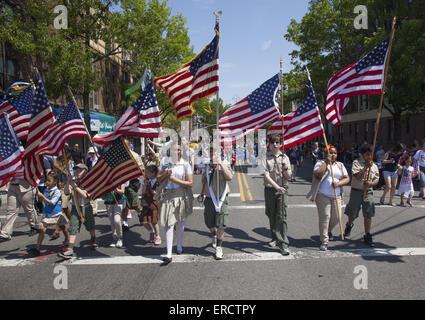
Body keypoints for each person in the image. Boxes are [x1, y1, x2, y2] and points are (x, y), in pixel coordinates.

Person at [307, 145, 350, 251]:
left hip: (336, 195)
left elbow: (347, 178)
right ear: (326, 154)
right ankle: (324, 241)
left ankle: (328, 231)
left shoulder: (340, 165)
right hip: (322, 195)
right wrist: (326, 162)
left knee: (337, 217)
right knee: (325, 217)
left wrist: (339, 183)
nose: (332, 155)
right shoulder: (320, 163)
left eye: (334, 153)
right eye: (330, 152)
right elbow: (317, 174)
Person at [158, 143, 193, 265]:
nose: (176, 152)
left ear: (181, 151)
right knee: (169, 223)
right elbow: (158, 179)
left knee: (180, 222)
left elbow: (190, 183)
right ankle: (168, 252)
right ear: (170, 151)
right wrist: (165, 174)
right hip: (168, 195)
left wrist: (175, 180)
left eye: (178, 150)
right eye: (174, 149)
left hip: (180, 194)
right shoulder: (164, 162)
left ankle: (179, 244)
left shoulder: (185, 164)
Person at [198, 147, 234, 260]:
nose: (213, 154)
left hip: (222, 198)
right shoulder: (207, 165)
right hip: (209, 198)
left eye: (215, 152)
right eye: (211, 151)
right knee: (209, 222)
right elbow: (205, 181)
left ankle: (219, 247)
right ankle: (214, 234)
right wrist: (201, 193)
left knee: (221, 224)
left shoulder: (225, 163)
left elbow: (229, 177)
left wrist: (221, 164)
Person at [58, 163, 97, 259]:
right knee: (73, 226)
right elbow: (67, 192)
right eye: (76, 170)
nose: (77, 172)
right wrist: (68, 182)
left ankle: (93, 240)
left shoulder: (89, 182)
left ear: (85, 171)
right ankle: (70, 249)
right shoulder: (73, 181)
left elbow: (86, 196)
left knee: (90, 225)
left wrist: (75, 187)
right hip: (76, 207)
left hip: (86, 207)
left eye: (80, 170)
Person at [343, 144, 379, 247]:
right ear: (362, 155)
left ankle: (367, 234)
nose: (369, 157)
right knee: (353, 212)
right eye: (367, 154)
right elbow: (357, 177)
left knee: (368, 213)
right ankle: (349, 224)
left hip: (368, 191)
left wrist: (370, 184)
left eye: (371, 154)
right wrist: (366, 167)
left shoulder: (375, 166)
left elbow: (376, 179)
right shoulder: (357, 163)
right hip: (356, 191)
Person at [263, 134, 292, 256]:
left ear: (280, 144)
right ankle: (275, 237)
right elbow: (266, 175)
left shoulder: (285, 158)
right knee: (271, 214)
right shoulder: (265, 157)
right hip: (270, 189)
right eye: (272, 142)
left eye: (277, 142)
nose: (275, 144)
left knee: (281, 216)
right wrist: (276, 187)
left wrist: (285, 168)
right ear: (269, 144)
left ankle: (283, 243)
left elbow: (289, 176)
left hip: (283, 190)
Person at [27, 174, 69, 256]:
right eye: (46, 180)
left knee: (63, 227)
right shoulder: (46, 190)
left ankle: (68, 240)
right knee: (42, 229)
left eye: (49, 181)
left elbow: (52, 203)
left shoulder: (57, 191)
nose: (47, 182)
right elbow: (44, 201)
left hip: (56, 214)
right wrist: (39, 196)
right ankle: (37, 248)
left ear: (55, 182)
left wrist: (42, 196)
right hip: (47, 214)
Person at [0, 177, 39, 242]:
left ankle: (34, 226)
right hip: (12, 186)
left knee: (29, 209)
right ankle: (5, 233)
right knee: (11, 211)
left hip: (26, 186)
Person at [140, 165, 162, 246]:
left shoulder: (158, 181)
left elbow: (160, 193)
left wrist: (155, 193)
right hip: (146, 202)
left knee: (154, 221)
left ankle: (157, 236)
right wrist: (145, 185)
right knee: (143, 220)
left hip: (154, 203)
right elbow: (142, 192)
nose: (146, 173)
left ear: (153, 173)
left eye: (148, 172)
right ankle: (151, 231)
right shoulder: (145, 181)